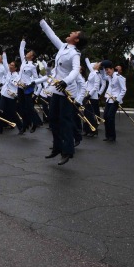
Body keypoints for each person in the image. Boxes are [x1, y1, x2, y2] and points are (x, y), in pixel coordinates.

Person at [39, 19, 87, 165]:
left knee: (65, 121)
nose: (71, 32)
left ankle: (68, 151)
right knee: (52, 119)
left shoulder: (75, 54)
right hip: (57, 90)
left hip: (67, 91)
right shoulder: (63, 47)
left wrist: (66, 81)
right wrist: (42, 21)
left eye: (74, 33)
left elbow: (74, 71)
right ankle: (57, 147)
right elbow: (51, 35)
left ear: (76, 39)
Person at [102, 62, 126, 142]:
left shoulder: (119, 77)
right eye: (105, 70)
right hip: (109, 99)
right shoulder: (110, 77)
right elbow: (103, 77)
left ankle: (112, 136)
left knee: (110, 117)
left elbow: (123, 89)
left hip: (115, 100)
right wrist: (101, 68)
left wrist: (118, 100)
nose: (106, 72)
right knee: (105, 116)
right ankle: (108, 135)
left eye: (107, 70)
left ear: (112, 69)